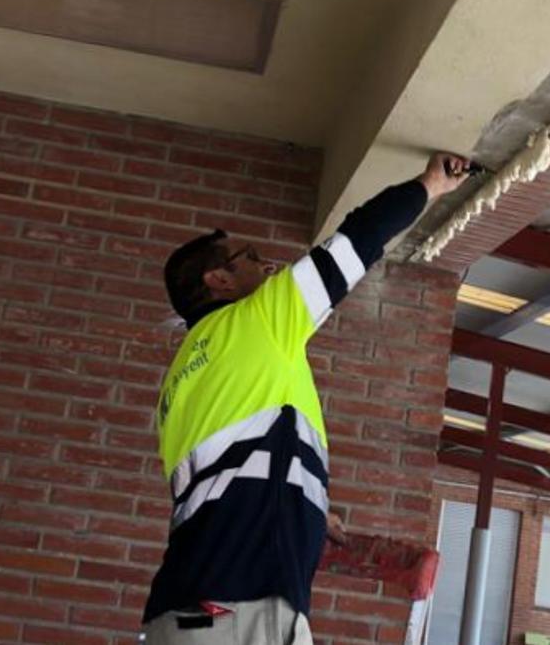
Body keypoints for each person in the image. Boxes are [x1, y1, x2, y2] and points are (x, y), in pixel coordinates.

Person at [142, 153, 473, 644]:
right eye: (249, 257)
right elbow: (358, 239)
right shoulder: (254, 320)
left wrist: (308, 506)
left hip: (206, 610)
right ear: (219, 281)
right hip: (234, 611)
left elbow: (233, 471)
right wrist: (431, 184)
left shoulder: (179, 385)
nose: (268, 264)